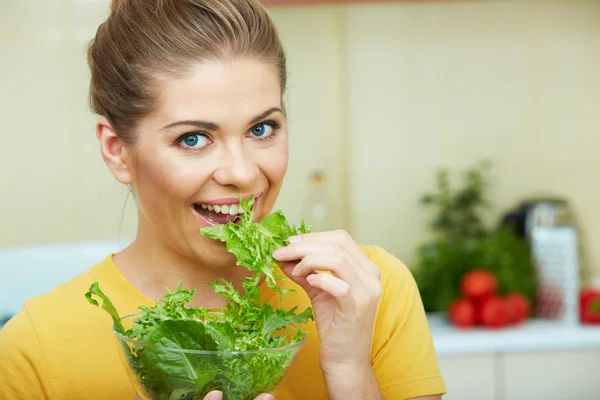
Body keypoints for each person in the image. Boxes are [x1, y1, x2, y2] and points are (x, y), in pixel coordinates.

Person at [0, 1, 446, 399]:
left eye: (261, 129)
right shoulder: (35, 350)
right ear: (118, 151)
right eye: (193, 138)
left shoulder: (367, 292)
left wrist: (350, 373)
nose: (242, 173)